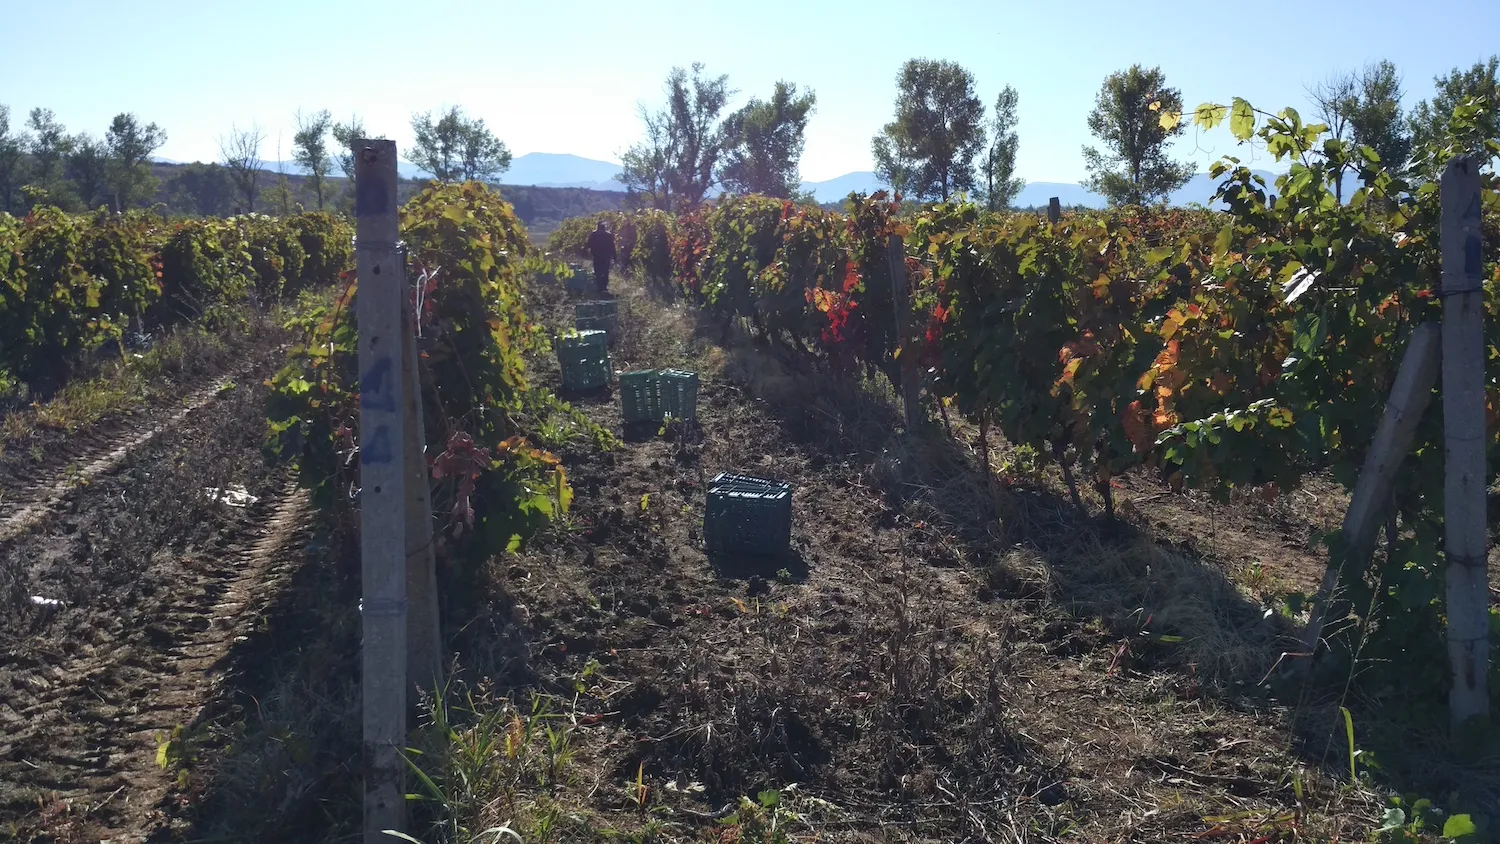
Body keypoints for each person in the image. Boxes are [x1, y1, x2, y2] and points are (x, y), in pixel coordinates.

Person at [585, 221, 616, 295]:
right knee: (605, 271)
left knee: (598, 271)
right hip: (606, 256)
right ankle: (604, 287)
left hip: (597, 256)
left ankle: (600, 287)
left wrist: (586, 252)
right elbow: (612, 247)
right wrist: (615, 256)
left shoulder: (594, 234)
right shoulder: (608, 235)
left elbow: (588, 244)